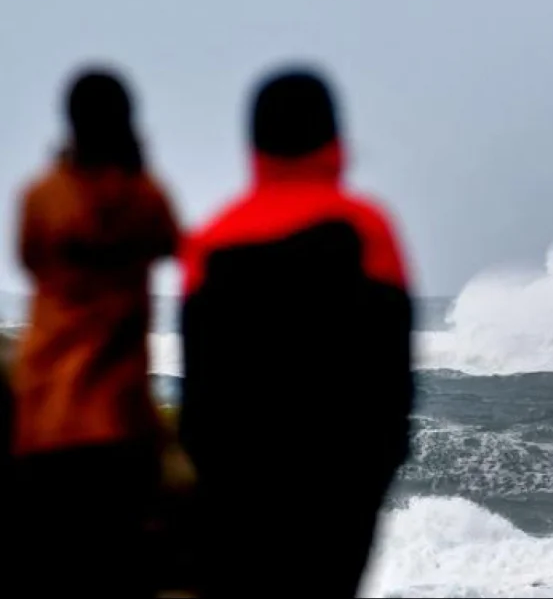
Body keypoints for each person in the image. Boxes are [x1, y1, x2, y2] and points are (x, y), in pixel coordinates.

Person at [179, 65, 416, 597]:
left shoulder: (211, 243)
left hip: (237, 493)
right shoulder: (367, 230)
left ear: (254, 143)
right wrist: (375, 470)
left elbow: (200, 397)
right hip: (339, 492)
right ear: (334, 138)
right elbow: (392, 375)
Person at [9, 66, 181, 598]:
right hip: (118, 421)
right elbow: (171, 243)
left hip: (46, 417)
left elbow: (29, 256)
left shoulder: (43, 195)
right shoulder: (144, 196)